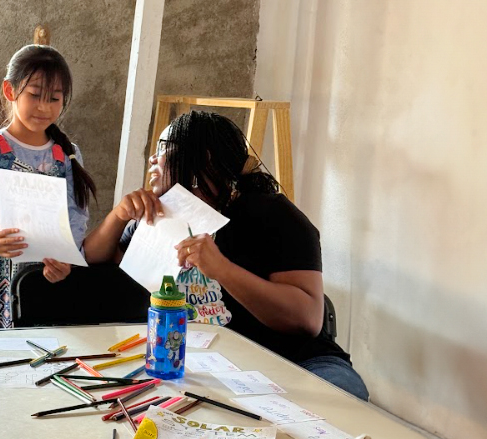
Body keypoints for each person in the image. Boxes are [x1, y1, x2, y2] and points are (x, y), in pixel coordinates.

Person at [83, 111, 369, 401]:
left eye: (163, 148)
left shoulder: (274, 215)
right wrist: (118, 216)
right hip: (211, 364)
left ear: (203, 158)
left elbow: (307, 318)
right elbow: (93, 258)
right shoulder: (161, 213)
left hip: (297, 361)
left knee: (341, 397)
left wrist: (222, 269)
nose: (152, 160)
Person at [0, 45, 96, 330]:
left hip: (47, 278)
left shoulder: (67, 155)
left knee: (43, 362)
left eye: (55, 98)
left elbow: (76, 219)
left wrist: (67, 260)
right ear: (10, 91)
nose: (44, 107)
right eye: (34, 95)